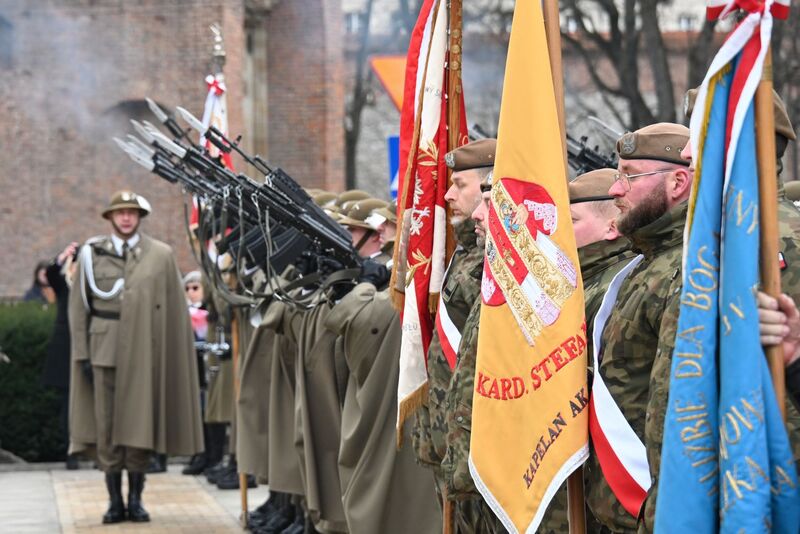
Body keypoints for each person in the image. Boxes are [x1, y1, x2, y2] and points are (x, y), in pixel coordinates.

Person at [581, 123, 692, 533]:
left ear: (678, 181)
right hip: (625, 511)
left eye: (629, 175)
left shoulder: (688, 265)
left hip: (659, 513)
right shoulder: (645, 264)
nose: (616, 189)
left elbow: (681, 412)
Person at [68, 190, 204, 524]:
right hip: (105, 348)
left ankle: (137, 499)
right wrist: (83, 353)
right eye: (120, 212)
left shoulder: (159, 255)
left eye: (132, 212)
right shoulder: (91, 254)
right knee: (108, 426)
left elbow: (172, 309)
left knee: (140, 424)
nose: (126, 218)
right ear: (110, 217)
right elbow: (78, 308)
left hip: (145, 349)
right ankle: (114, 501)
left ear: (140, 217)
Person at [419, 138, 497, 532]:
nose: (447, 194)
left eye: (460, 184)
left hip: (475, 442)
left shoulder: (493, 258)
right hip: (450, 434)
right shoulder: (466, 252)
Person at [41, 242, 80, 469]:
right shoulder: (63, 286)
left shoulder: (89, 287)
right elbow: (50, 273)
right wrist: (62, 256)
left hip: (88, 350)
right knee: (68, 405)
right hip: (65, 352)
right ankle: (70, 451)